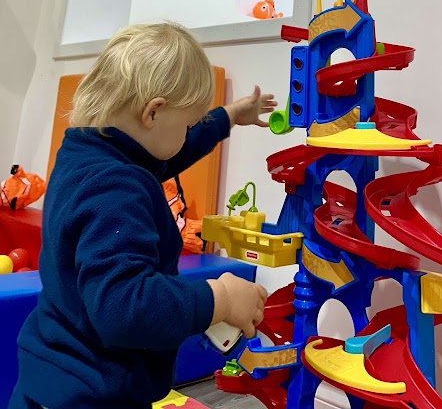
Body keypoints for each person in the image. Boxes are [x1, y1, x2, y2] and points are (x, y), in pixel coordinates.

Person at [10, 22, 274, 409]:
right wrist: (219, 298)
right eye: (188, 123)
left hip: (55, 373)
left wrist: (229, 116)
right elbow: (124, 306)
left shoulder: (87, 152)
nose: (188, 133)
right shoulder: (115, 188)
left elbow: (172, 149)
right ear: (152, 112)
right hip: (91, 394)